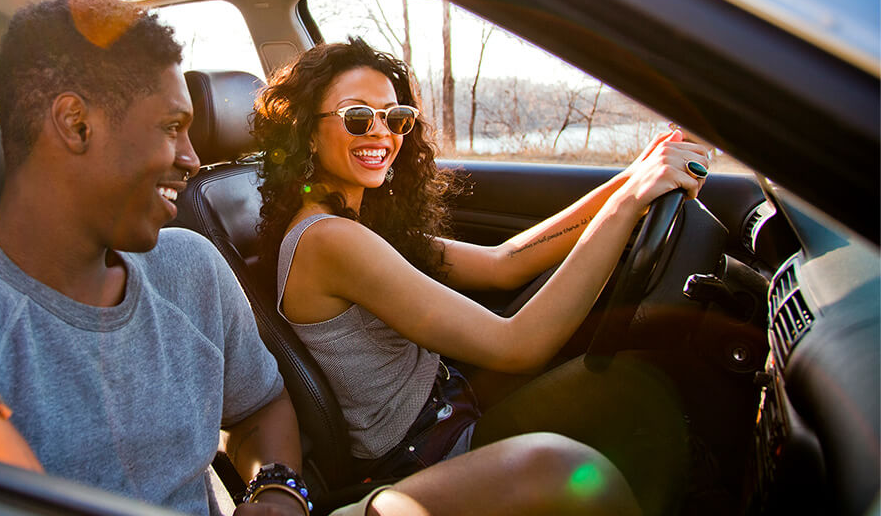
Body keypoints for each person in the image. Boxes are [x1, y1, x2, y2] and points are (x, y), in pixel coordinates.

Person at [0, 0, 639, 516]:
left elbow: (260, 407)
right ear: (75, 125)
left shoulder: (187, 266)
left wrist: (276, 489)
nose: (192, 157)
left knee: (557, 469)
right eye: (172, 129)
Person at [252, 37, 710, 516]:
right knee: (634, 401)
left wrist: (633, 177)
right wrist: (627, 204)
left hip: (452, 408)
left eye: (395, 117)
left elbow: (504, 262)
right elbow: (518, 345)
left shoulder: (359, 223)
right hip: (425, 456)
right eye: (358, 117)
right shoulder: (328, 239)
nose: (382, 133)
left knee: (636, 390)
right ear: (307, 132)